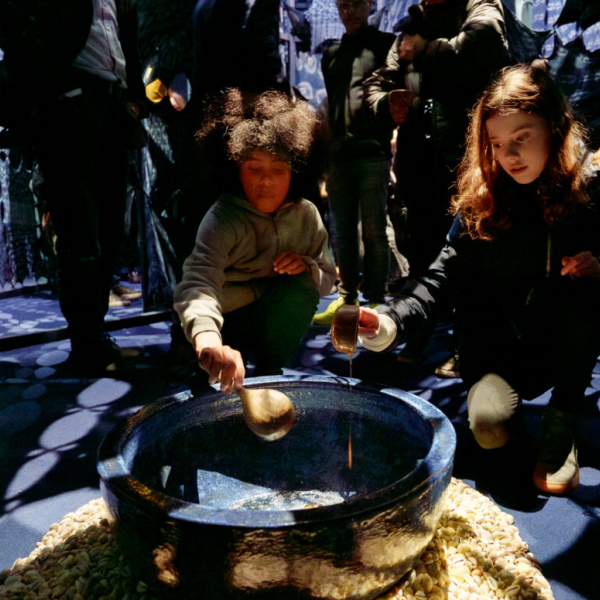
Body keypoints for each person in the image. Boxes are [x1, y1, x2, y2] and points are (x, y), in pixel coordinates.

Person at [357, 65, 600, 495]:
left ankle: (562, 423)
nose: (509, 155)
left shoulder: (588, 193)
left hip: (564, 346)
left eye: (522, 137)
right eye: (498, 143)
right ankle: (512, 425)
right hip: (498, 352)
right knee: (488, 428)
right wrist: (391, 322)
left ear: (554, 126)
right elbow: (439, 276)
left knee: (586, 294)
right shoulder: (483, 204)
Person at [0, 0, 148, 374]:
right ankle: (86, 344)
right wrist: (59, 89)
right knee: (80, 233)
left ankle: (93, 339)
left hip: (110, 105)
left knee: (110, 229)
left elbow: (121, 34)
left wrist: (131, 101)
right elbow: (17, 26)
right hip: (69, 107)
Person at [363, 0, 510, 368]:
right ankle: (419, 333)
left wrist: (424, 49)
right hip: (417, 163)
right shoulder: (413, 24)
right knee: (420, 251)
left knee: (470, 252)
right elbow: (379, 82)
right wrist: (386, 103)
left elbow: (484, 43)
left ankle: (465, 346)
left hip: (467, 160)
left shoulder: (479, 7)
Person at [174, 89, 336, 394]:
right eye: (254, 168)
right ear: (235, 167)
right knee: (203, 395)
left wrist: (308, 265)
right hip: (221, 321)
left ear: (297, 170)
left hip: (269, 316)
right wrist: (208, 339)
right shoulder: (223, 217)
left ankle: (269, 372)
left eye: (278, 169)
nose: (266, 181)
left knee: (301, 288)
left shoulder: (307, 215)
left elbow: (327, 280)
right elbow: (198, 283)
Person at [311, 0, 397, 326]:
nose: (348, 11)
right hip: (339, 157)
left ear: (369, 5)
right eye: (342, 5)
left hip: (373, 152)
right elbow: (332, 107)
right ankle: (347, 298)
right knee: (342, 232)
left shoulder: (386, 45)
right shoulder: (331, 54)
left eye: (355, 3)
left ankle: (377, 299)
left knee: (375, 229)